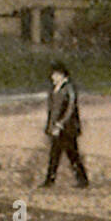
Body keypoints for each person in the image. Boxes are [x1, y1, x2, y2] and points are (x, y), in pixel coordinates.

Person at [42, 61, 89, 189]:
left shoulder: (69, 89)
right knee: (54, 154)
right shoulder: (54, 89)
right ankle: (50, 180)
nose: (53, 77)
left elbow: (70, 109)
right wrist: (50, 126)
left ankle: (82, 180)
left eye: (55, 75)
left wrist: (60, 124)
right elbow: (52, 110)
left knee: (72, 154)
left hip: (68, 128)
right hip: (57, 128)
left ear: (62, 75)